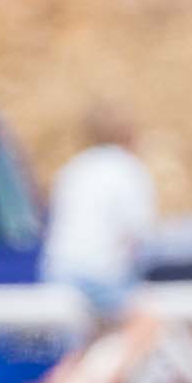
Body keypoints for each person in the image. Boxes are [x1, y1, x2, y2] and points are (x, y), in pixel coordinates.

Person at [40, 103, 157, 314]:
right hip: (97, 273)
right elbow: (137, 233)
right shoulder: (126, 168)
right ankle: (113, 349)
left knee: (91, 335)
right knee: (148, 320)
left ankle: (88, 349)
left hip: (57, 271)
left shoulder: (74, 167)